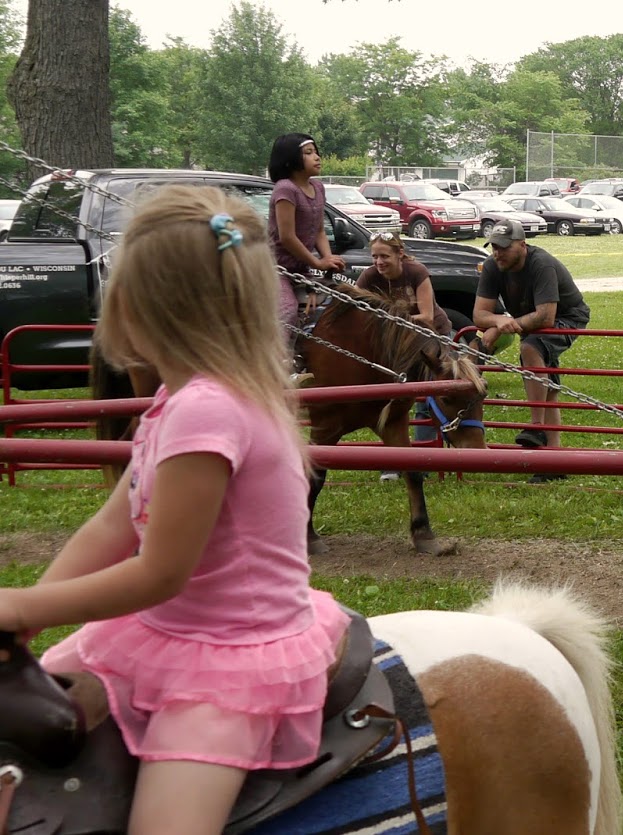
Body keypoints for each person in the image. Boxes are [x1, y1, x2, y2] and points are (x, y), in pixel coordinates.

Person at [0, 185, 350, 835]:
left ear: (139, 305)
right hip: (166, 631)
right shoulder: (185, 397)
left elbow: (161, 571)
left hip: (228, 657)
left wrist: (23, 605)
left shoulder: (207, 410)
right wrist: (27, 615)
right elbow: (112, 524)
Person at [473, 220, 591, 483]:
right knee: (547, 385)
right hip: (530, 319)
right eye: (494, 246)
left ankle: (536, 427)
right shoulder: (493, 266)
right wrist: (497, 321)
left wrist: (503, 325)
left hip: (568, 317)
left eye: (504, 247)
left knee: (531, 347)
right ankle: (554, 462)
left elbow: (547, 317)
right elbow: (479, 315)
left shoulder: (541, 264)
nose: (497, 252)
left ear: (522, 245)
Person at [356, 231, 454, 478]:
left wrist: (386, 319)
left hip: (432, 335)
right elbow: (355, 310)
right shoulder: (368, 277)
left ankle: (424, 460)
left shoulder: (416, 272)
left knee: (427, 395)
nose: (379, 262)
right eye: (375, 256)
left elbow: (427, 316)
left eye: (385, 256)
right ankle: (393, 461)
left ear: (400, 254)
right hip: (395, 341)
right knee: (390, 398)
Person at [267, 133, 345, 325]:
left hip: (301, 269)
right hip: (275, 269)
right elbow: (287, 237)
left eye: (316, 152)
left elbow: (319, 231)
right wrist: (317, 263)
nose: (317, 157)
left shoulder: (318, 187)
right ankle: (281, 356)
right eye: (309, 153)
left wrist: (328, 258)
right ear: (290, 160)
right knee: (287, 311)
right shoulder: (285, 189)